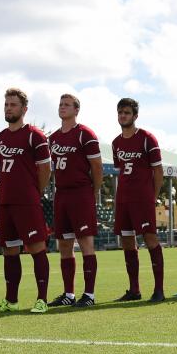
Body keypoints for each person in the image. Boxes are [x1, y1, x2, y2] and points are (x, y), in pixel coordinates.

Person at [0, 88, 52, 314]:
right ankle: (11, 300)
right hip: (6, 201)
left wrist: (35, 190)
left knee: (37, 248)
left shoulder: (34, 135)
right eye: (6, 104)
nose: (8, 108)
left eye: (13, 105)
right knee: (9, 250)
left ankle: (41, 299)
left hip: (27, 201)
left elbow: (45, 169)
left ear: (24, 109)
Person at [48, 93, 103, 308]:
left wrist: (92, 191)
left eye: (67, 105)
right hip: (61, 194)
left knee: (86, 243)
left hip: (81, 193)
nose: (62, 107)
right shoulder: (52, 138)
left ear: (76, 110)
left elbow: (97, 167)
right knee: (64, 244)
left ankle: (89, 294)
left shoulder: (85, 134)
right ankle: (68, 294)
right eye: (60, 104)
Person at [111, 97, 165, 302]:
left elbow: (157, 171)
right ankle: (134, 290)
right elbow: (121, 170)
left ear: (135, 115)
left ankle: (159, 290)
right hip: (123, 198)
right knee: (127, 241)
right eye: (120, 112)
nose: (123, 116)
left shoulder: (147, 138)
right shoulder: (116, 143)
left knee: (150, 239)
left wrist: (153, 195)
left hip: (142, 198)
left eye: (126, 112)